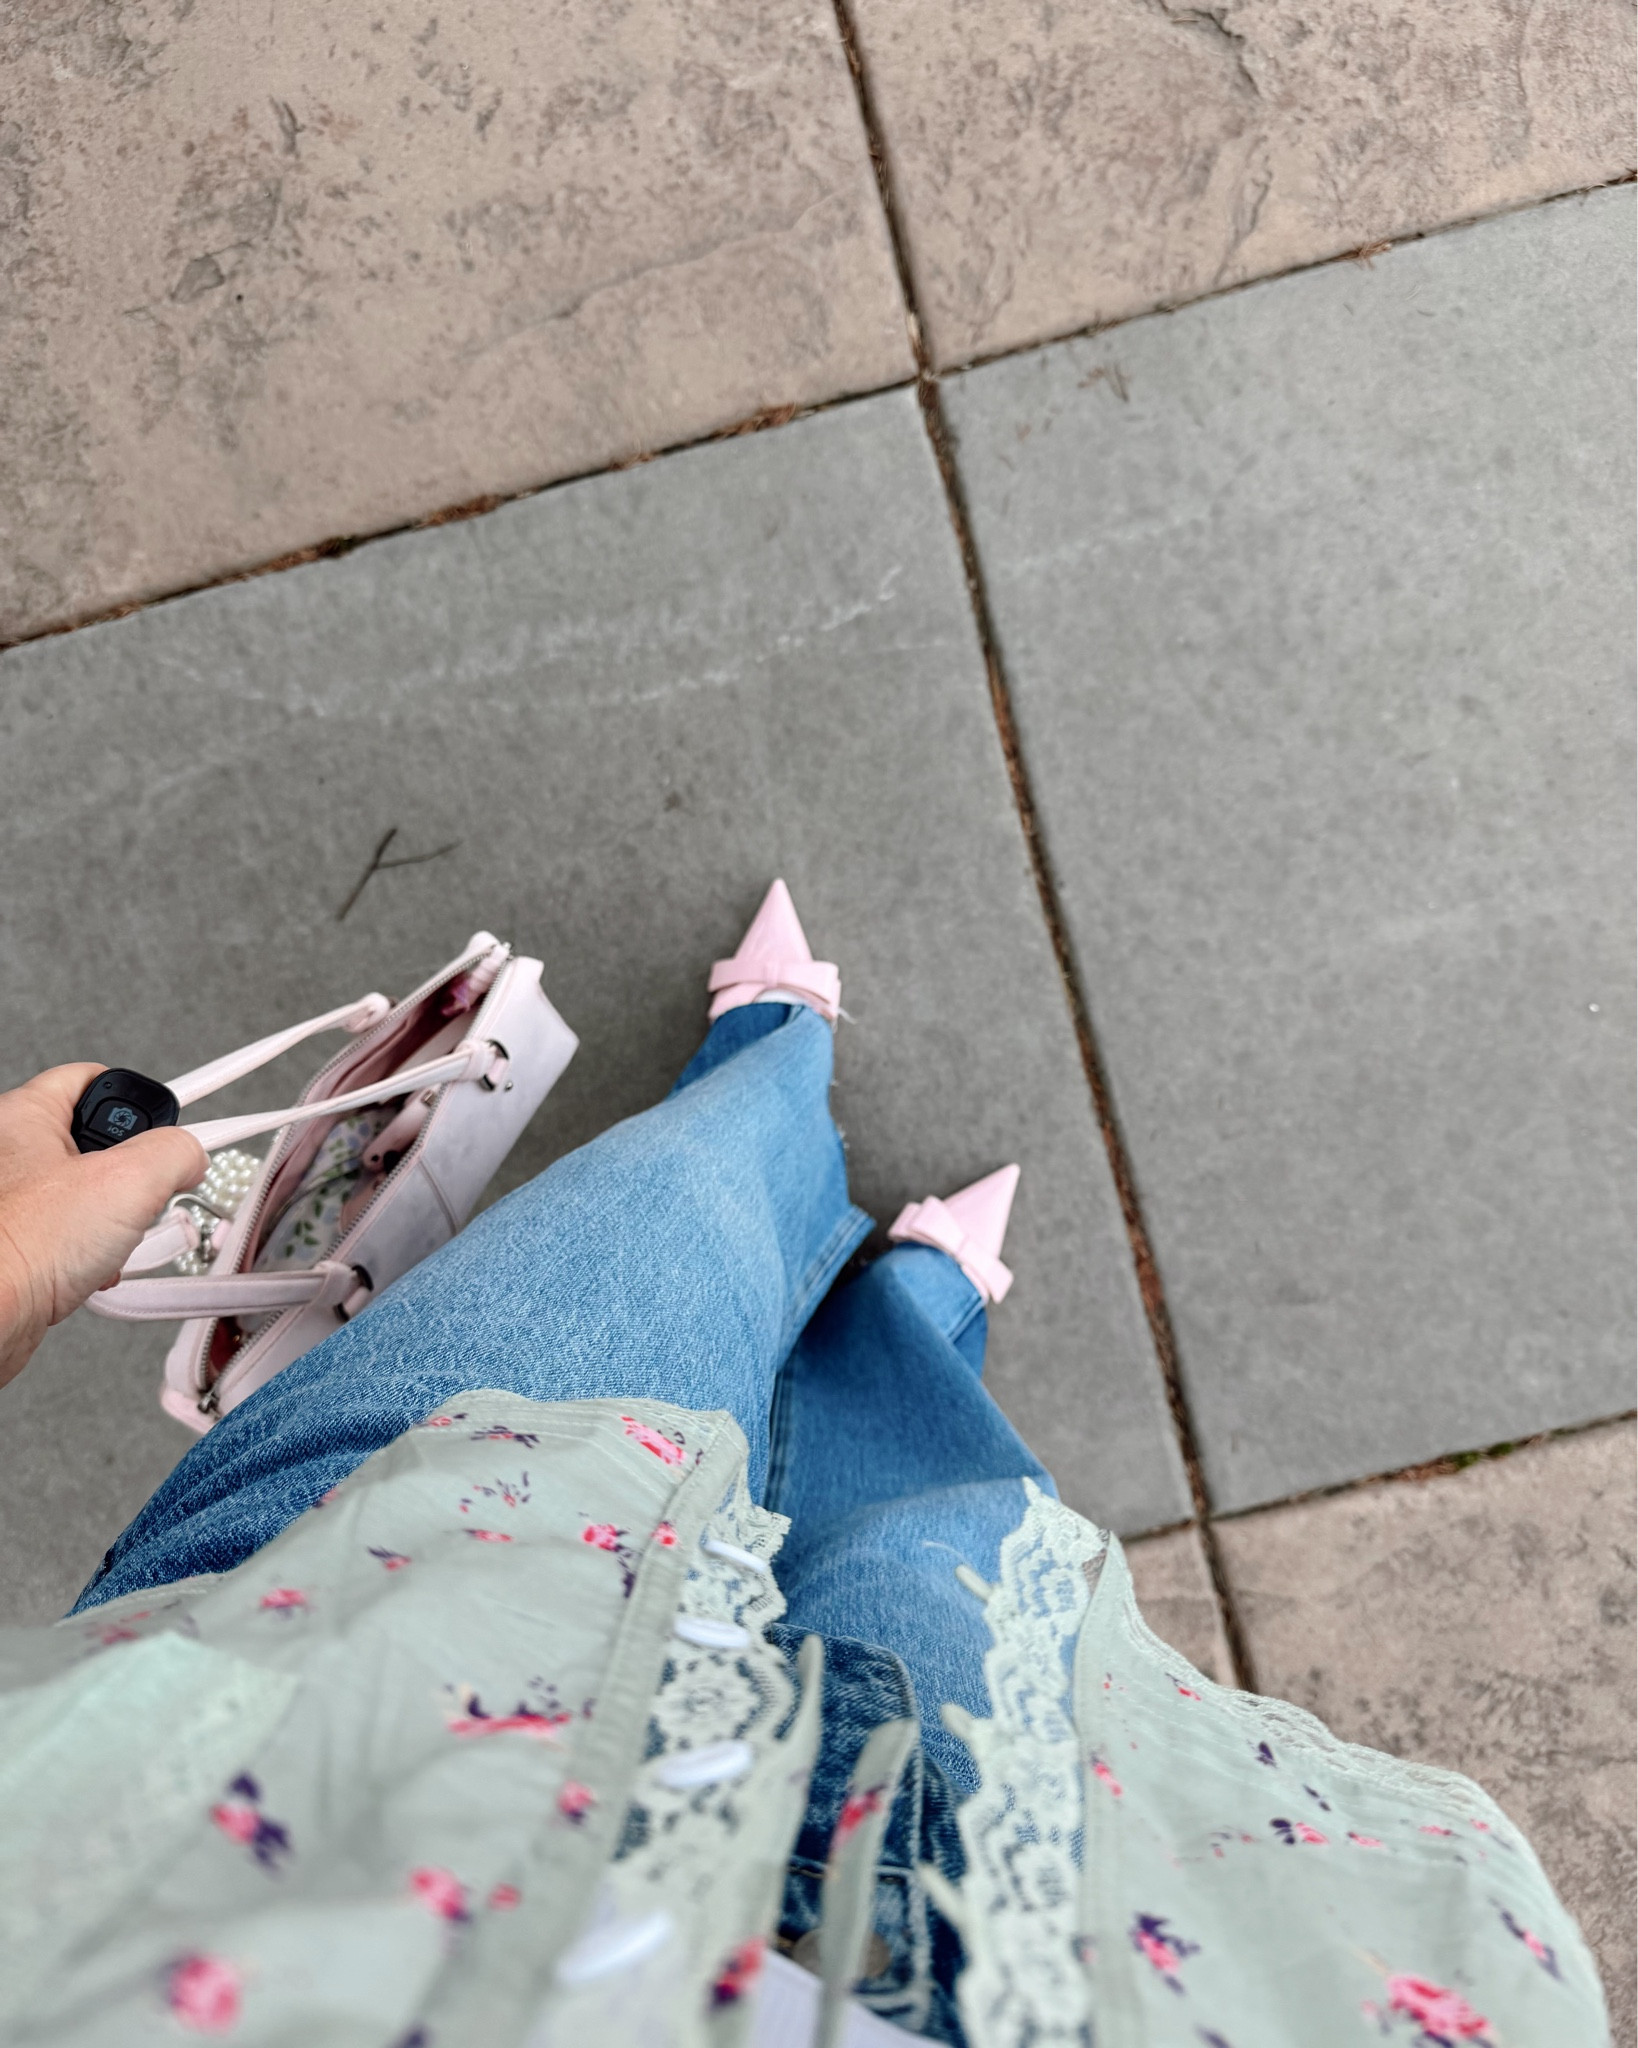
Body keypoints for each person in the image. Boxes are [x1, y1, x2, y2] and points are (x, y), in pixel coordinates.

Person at [0, 885, 1609, 2047]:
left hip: (329, 1697)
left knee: (673, 1226)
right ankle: (904, 1313)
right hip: (1009, 1958)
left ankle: (772, 1074)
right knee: (931, 1541)